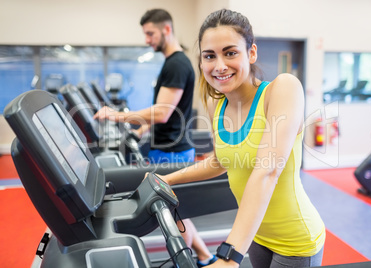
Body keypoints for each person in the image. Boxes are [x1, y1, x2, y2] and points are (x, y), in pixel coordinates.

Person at [158, 8, 326, 268]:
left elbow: (267, 170)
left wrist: (229, 255)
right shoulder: (218, 106)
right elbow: (220, 162)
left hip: (296, 241)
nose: (219, 65)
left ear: (252, 52)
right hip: (256, 235)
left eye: (230, 52)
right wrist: (166, 179)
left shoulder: (282, 90)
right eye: (209, 56)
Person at [93, 8, 217, 267]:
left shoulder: (177, 64)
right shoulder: (172, 63)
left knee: (174, 215)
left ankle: (195, 259)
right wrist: (140, 131)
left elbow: (162, 112)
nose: (147, 40)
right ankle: (205, 256)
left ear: (166, 29)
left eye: (150, 33)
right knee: (177, 213)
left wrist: (116, 116)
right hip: (168, 146)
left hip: (173, 151)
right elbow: (163, 113)